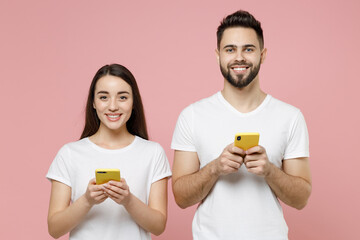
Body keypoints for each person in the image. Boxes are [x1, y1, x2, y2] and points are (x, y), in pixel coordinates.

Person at [171, 10, 312, 239]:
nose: (239, 58)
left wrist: (269, 171)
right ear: (218, 55)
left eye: (248, 49)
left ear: (262, 54)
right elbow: (180, 197)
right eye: (230, 49)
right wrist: (215, 168)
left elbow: (301, 199)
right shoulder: (192, 116)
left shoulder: (290, 117)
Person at [47, 64, 171, 239]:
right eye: (104, 97)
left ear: (133, 102)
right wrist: (87, 200)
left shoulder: (153, 153)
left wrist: (128, 200)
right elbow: (54, 229)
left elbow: (158, 226)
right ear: (93, 102)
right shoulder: (69, 154)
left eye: (122, 97)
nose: (113, 106)